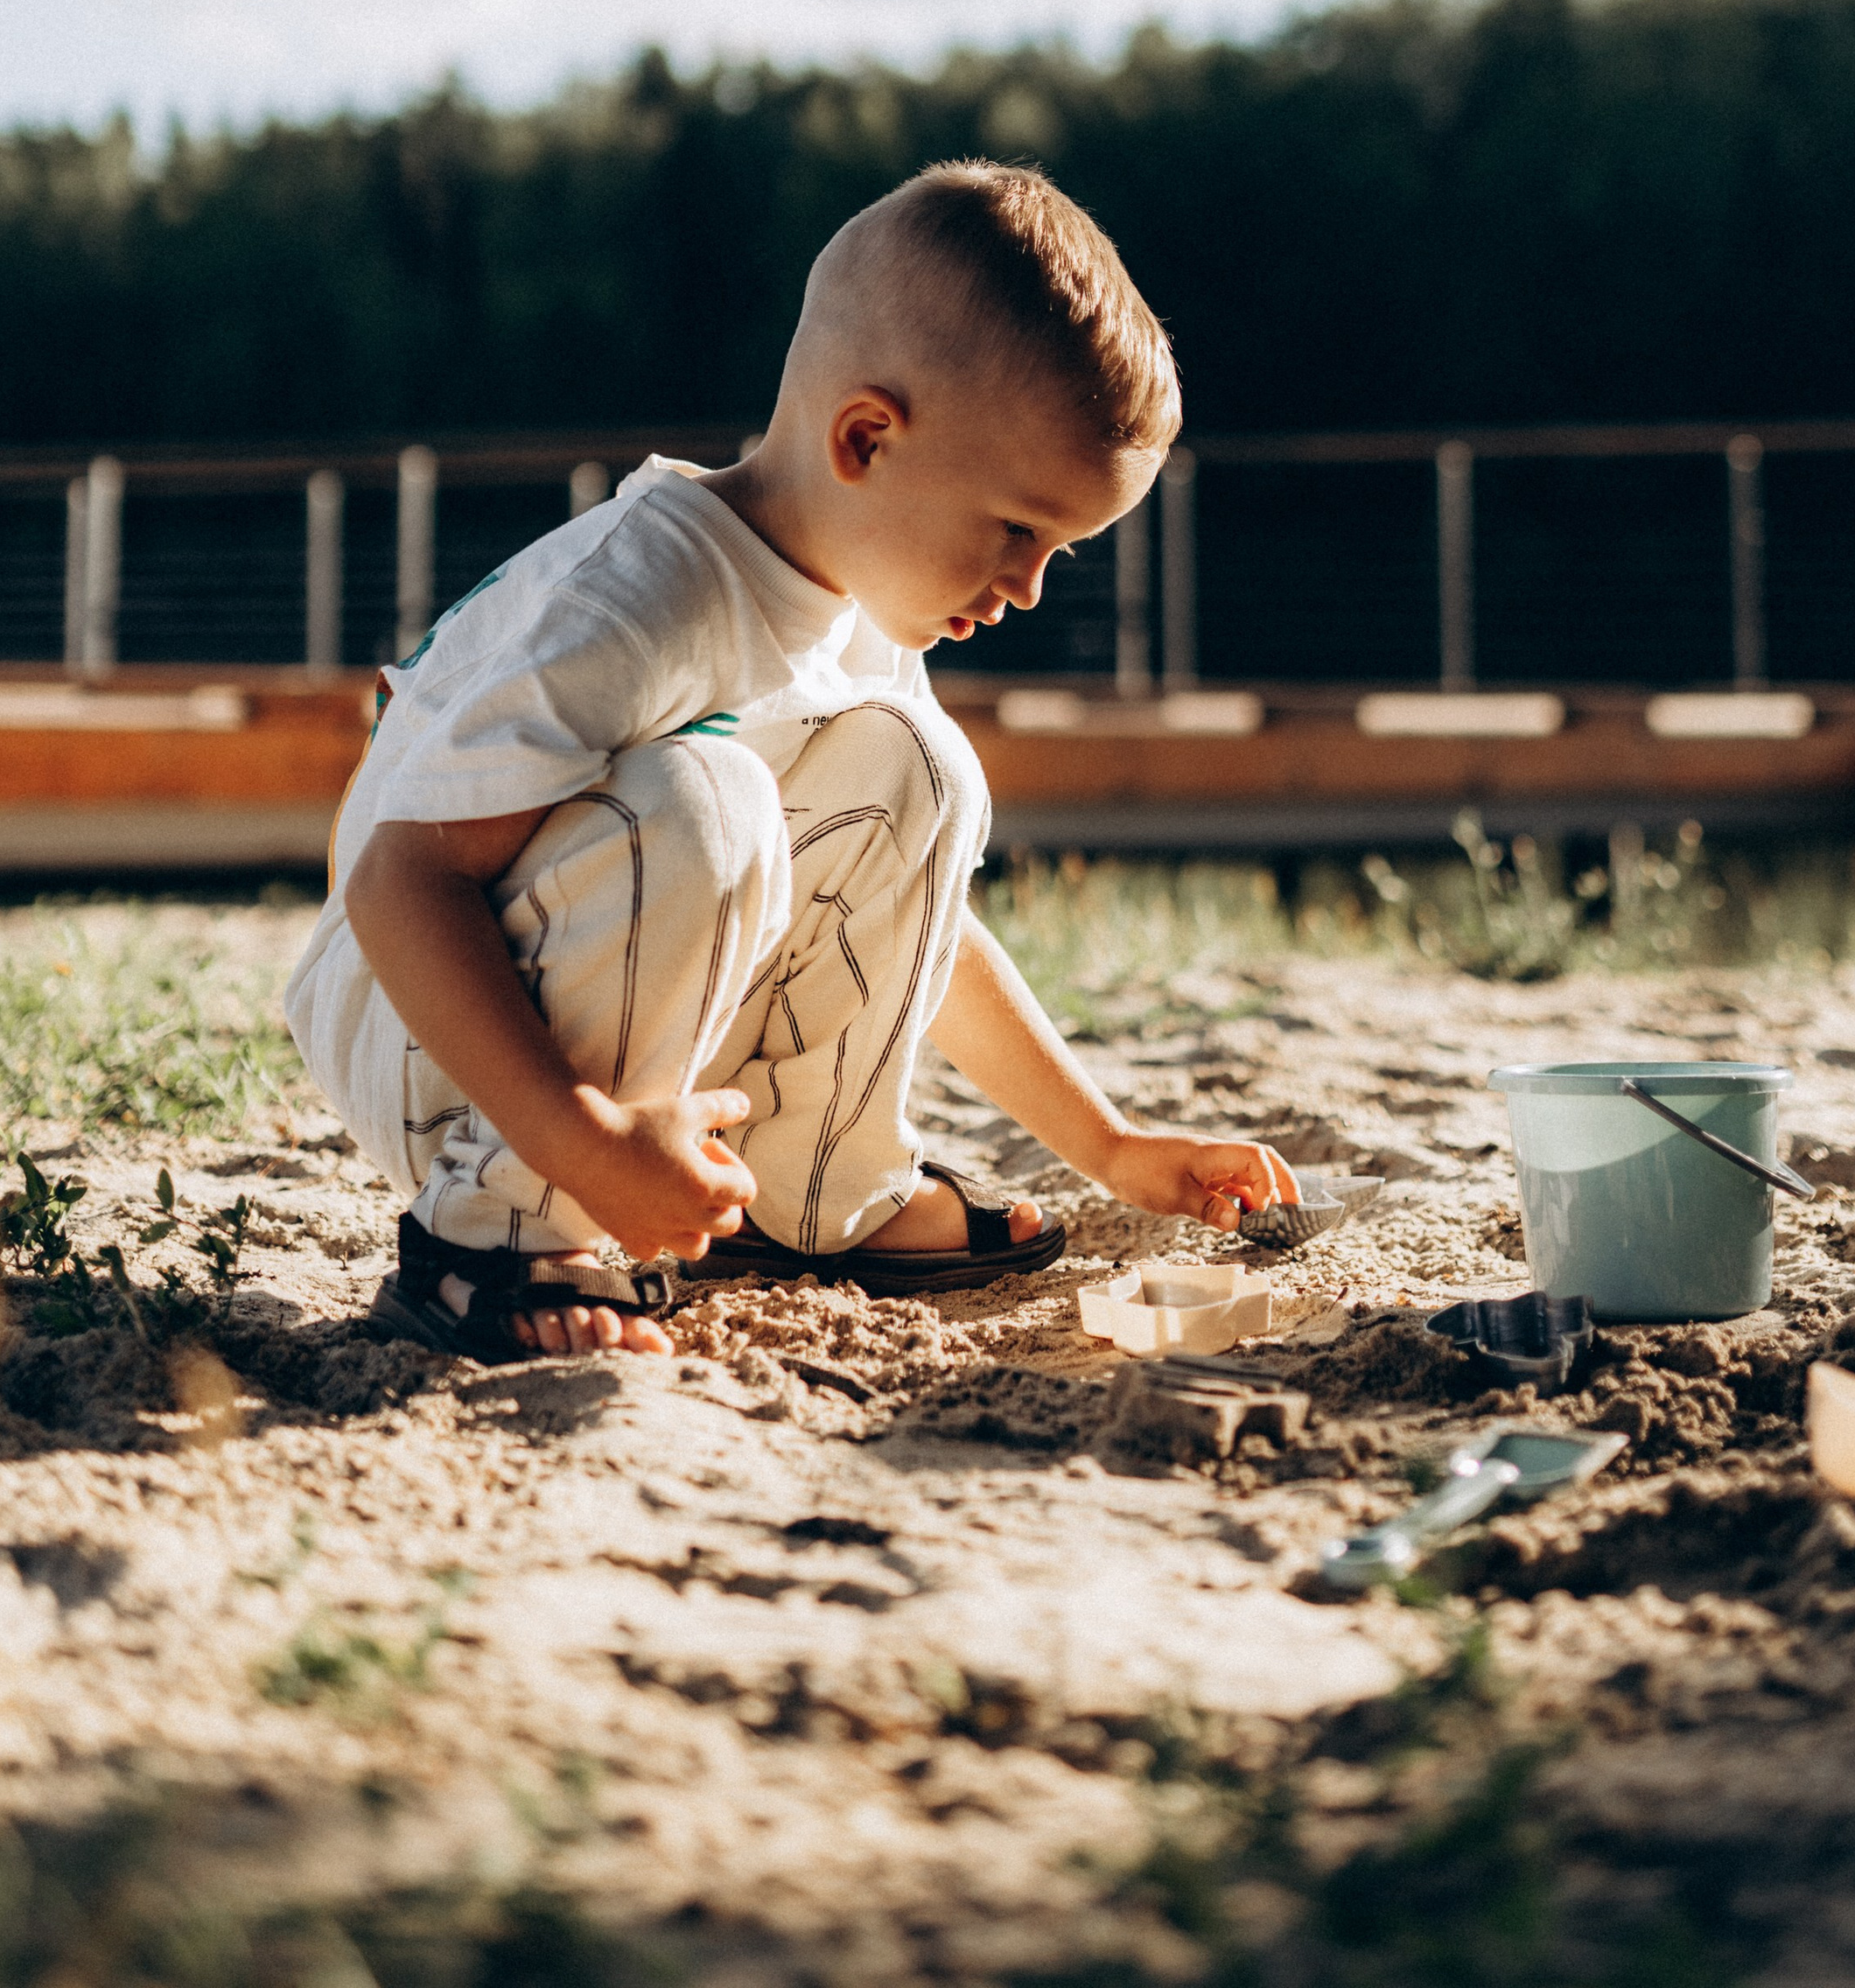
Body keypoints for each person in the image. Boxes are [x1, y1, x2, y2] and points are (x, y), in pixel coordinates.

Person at [285, 160, 1298, 1362]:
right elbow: (403, 888)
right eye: (1018, 530)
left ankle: (810, 1195)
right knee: (705, 799)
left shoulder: (863, 613)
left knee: (922, 768)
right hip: (426, 1028)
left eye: (1059, 553)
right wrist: (581, 1147)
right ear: (866, 438)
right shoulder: (637, 599)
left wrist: (1112, 1144)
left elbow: (925, 935)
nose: (1027, 586)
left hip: (593, 1021)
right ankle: (491, 1241)